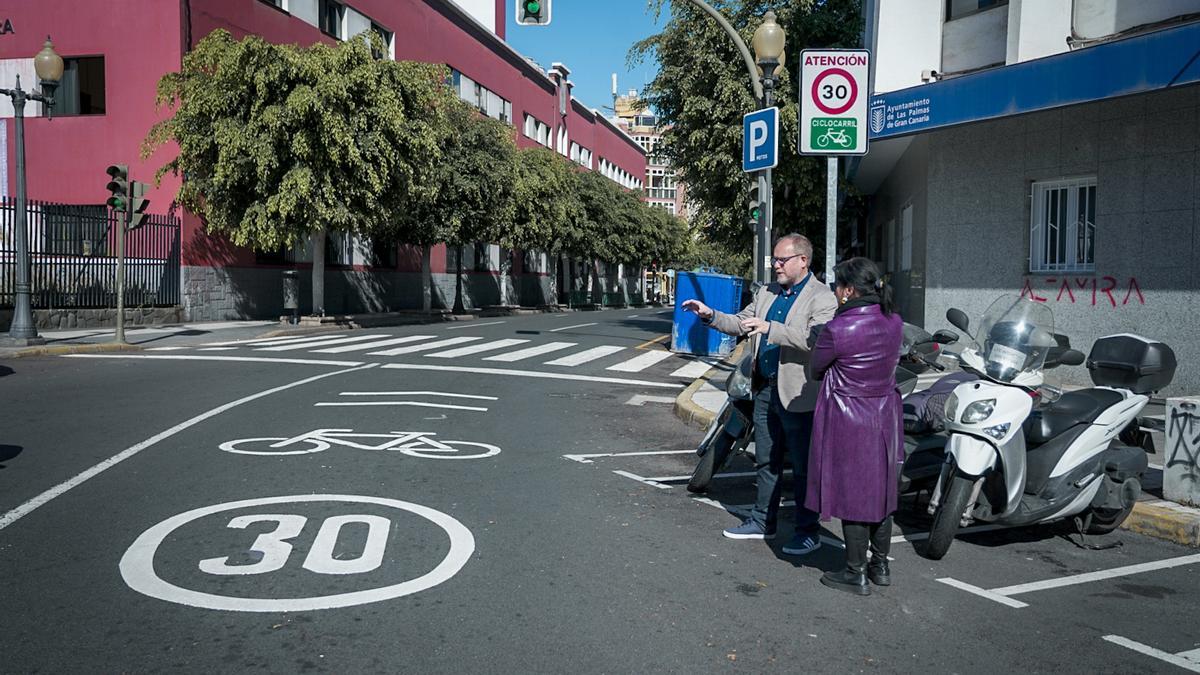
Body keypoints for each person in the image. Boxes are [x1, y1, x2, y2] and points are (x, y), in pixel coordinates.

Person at [682, 234, 837, 554]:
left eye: (782, 260)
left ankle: (809, 530)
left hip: (799, 395)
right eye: (774, 260)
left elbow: (816, 341)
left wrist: (771, 330)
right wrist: (709, 314)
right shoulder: (767, 292)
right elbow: (741, 323)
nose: (776, 265)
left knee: (804, 466)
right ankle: (762, 520)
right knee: (766, 460)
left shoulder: (822, 297)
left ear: (803, 261)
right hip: (764, 389)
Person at [805, 257, 904, 596]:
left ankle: (854, 571)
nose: (834, 291)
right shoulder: (895, 322)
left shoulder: (838, 328)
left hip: (850, 415)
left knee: (854, 495)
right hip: (885, 413)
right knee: (882, 491)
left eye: (836, 286)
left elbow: (816, 369)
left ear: (847, 291)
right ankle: (881, 564)